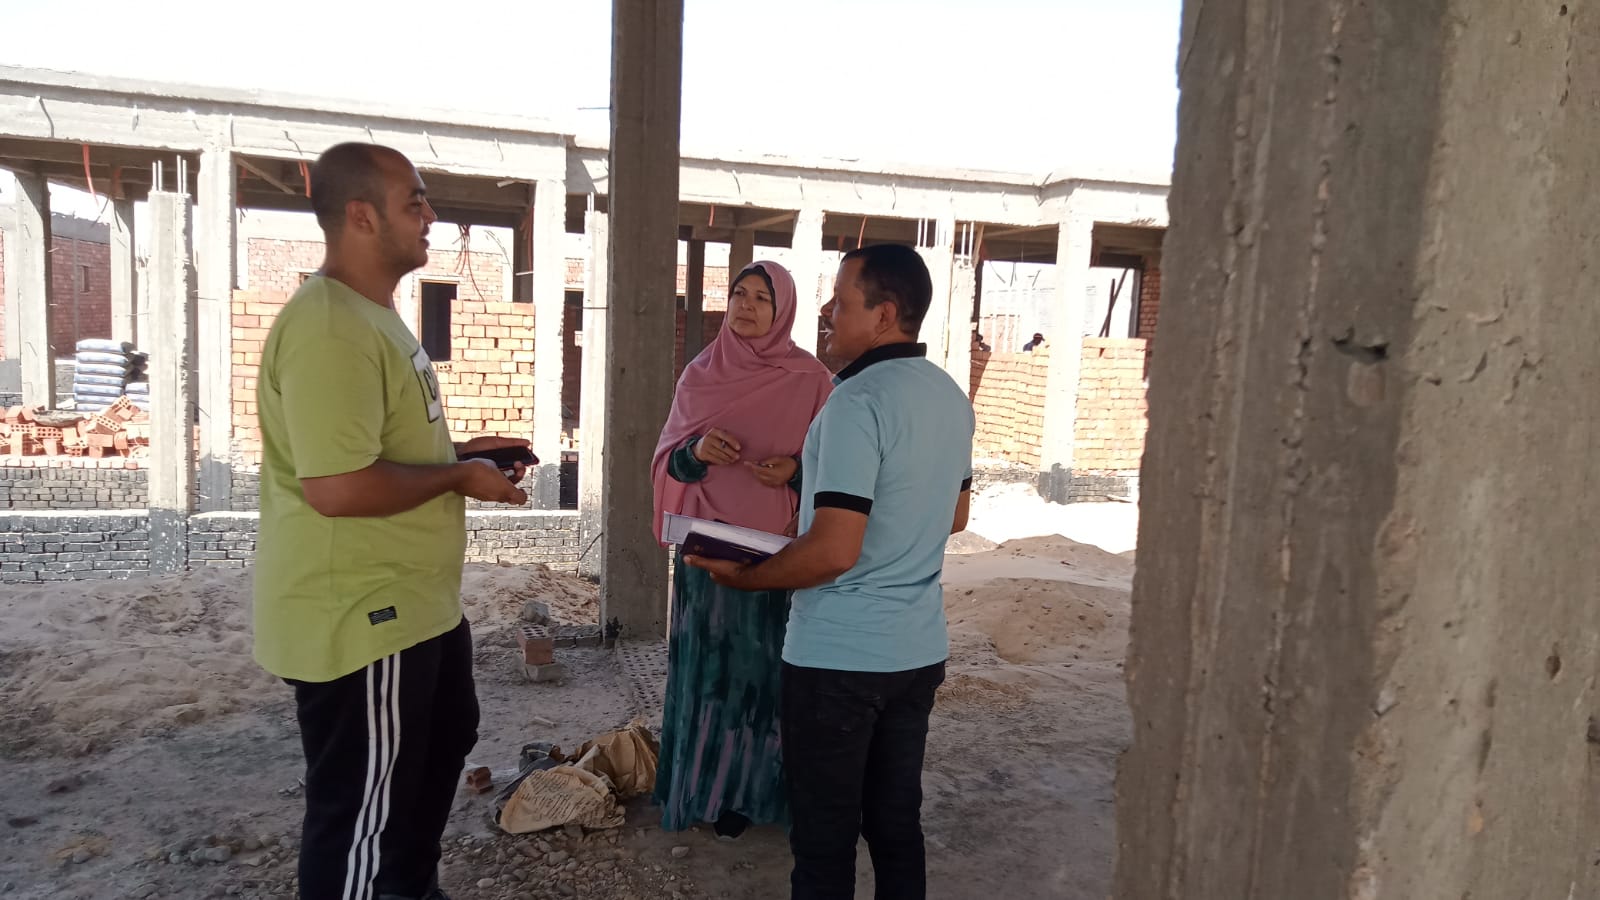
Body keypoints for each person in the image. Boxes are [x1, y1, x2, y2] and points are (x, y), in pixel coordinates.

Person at [252, 142, 530, 900]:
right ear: (362, 216)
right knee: (363, 814)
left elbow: (379, 450)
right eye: (415, 202)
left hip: (414, 604)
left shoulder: (373, 318)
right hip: (361, 612)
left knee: (437, 750)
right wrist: (458, 476)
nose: (430, 214)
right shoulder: (330, 329)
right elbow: (337, 487)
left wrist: (462, 454)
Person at [685, 244, 975, 899]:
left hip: (839, 659)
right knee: (895, 825)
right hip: (917, 651)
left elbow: (835, 552)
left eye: (842, 303)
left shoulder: (853, 402)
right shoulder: (950, 396)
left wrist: (746, 576)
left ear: (884, 315)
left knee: (824, 840)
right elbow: (955, 515)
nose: (827, 313)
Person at [650, 260, 834, 839]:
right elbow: (668, 461)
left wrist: (794, 471)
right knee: (704, 673)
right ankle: (698, 788)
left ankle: (749, 796)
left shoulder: (812, 381)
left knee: (760, 677)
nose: (746, 306)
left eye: (762, 298)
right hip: (705, 548)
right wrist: (697, 451)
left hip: (772, 556)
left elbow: (837, 467)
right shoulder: (699, 375)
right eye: (739, 294)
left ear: (784, 311)